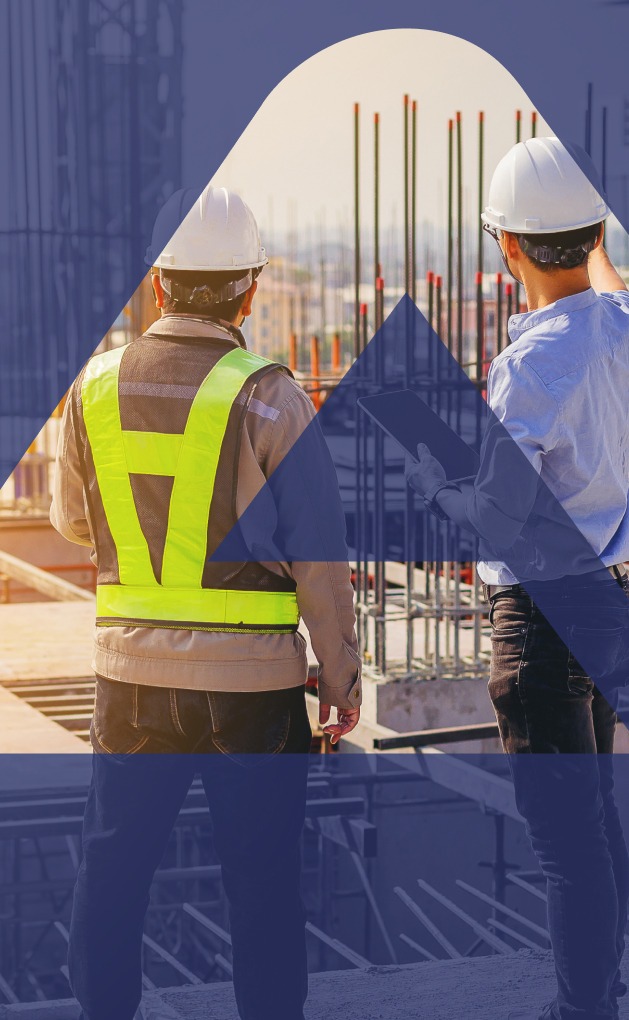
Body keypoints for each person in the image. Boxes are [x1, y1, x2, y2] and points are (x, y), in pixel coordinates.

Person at [50, 184, 361, 1020]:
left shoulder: (94, 387)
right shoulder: (270, 396)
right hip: (252, 693)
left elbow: (75, 522)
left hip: (130, 679)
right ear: (249, 289)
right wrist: (339, 676)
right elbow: (319, 566)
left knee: (112, 875)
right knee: (262, 889)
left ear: (158, 284)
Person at [406, 137, 629, 1020]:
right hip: (606, 600)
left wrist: (434, 486)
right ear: (591, 234)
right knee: (598, 821)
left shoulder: (531, 361)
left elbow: (496, 515)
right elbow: (603, 278)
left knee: (566, 842)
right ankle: (599, 992)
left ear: (504, 249)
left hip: (537, 617)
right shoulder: (617, 325)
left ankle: (583, 1009)